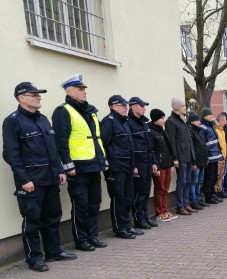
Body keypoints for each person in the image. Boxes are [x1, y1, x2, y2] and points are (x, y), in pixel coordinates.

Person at [2, 82, 77, 272]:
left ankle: (53, 252)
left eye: (39, 94)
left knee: (52, 217)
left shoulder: (43, 119)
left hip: (50, 178)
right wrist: (24, 179)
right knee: (32, 221)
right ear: (22, 98)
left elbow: (53, 149)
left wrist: (59, 170)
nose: (38, 97)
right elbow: (10, 154)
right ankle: (34, 258)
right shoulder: (13, 121)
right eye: (34, 94)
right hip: (31, 181)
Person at [52, 74, 108, 252]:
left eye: (84, 89)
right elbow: (60, 141)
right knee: (81, 205)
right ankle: (81, 239)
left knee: (94, 203)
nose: (84, 92)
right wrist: (67, 165)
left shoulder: (90, 111)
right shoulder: (63, 111)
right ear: (69, 92)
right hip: (78, 167)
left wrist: (103, 159)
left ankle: (92, 236)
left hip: (94, 164)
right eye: (80, 89)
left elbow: (97, 139)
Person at [100, 95, 139, 239]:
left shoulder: (124, 122)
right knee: (118, 198)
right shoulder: (109, 121)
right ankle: (119, 228)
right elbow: (103, 143)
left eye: (126, 105)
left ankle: (127, 225)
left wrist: (133, 165)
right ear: (114, 106)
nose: (126, 108)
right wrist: (106, 163)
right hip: (116, 167)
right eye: (123, 106)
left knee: (128, 198)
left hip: (127, 166)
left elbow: (130, 146)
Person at [128, 96, 159, 229]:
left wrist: (154, 162)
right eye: (142, 106)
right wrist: (134, 165)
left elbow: (150, 145)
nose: (144, 109)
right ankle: (138, 219)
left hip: (147, 162)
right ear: (134, 107)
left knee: (146, 191)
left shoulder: (143, 123)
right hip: (139, 163)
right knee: (139, 193)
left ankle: (145, 217)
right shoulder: (129, 123)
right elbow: (130, 146)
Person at [165, 98, 196, 215]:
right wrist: (175, 158)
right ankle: (180, 206)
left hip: (188, 156)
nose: (185, 108)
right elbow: (171, 141)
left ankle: (186, 204)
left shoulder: (182, 120)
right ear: (177, 107)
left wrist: (193, 158)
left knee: (188, 182)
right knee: (182, 182)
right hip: (180, 157)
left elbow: (188, 141)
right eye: (183, 106)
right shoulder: (171, 121)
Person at [148, 109, 177, 222]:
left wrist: (171, 163)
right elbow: (152, 150)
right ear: (155, 119)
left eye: (164, 118)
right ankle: (159, 213)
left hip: (167, 164)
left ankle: (165, 210)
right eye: (161, 118)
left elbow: (168, 149)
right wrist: (156, 165)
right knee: (159, 189)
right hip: (159, 166)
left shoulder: (162, 131)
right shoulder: (151, 131)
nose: (164, 120)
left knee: (165, 189)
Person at [186, 112, 207, 210]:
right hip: (196, 161)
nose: (200, 122)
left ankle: (198, 199)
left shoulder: (199, 130)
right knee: (194, 182)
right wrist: (193, 162)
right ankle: (193, 201)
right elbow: (192, 148)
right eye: (197, 120)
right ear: (192, 121)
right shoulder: (190, 131)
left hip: (202, 160)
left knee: (200, 181)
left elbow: (203, 145)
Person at [200, 108, 222, 204]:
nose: (212, 116)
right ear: (204, 116)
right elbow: (203, 143)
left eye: (212, 114)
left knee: (214, 176)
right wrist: (207, 156)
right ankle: (208, 196)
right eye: (209, 114)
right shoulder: (203, 127)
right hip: (209, 156)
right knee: (208, 177)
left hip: (215, 156)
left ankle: (213, 194)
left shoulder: (211, 125)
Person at [214, 113, 227, 200]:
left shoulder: (222, 130)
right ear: (219, 121)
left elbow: (224, 144)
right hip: (218, 157)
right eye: (223, 120)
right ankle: (215, 191)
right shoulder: (216, 130)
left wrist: (225, 155)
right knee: (216, 175)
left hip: (223, 156)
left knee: (221, 175)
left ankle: (219, 190)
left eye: (225, 120)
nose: (225, 122)